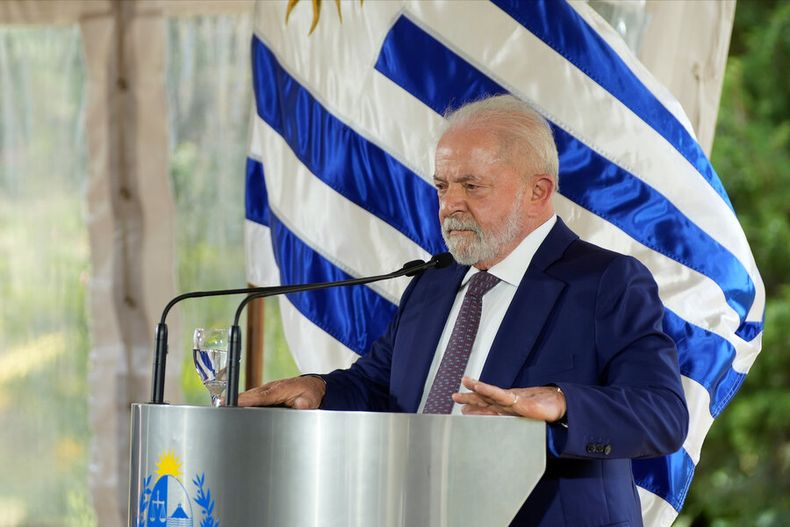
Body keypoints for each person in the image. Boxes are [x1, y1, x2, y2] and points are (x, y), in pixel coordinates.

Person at [239, 94, 689, 526]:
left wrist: (560, 402)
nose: (450, 204)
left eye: (472, 186)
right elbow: (378, 387)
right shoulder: (432, 282)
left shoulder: (605, 281)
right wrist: (319, 389)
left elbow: (662, 414)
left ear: (538, 191)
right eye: (442, 186)